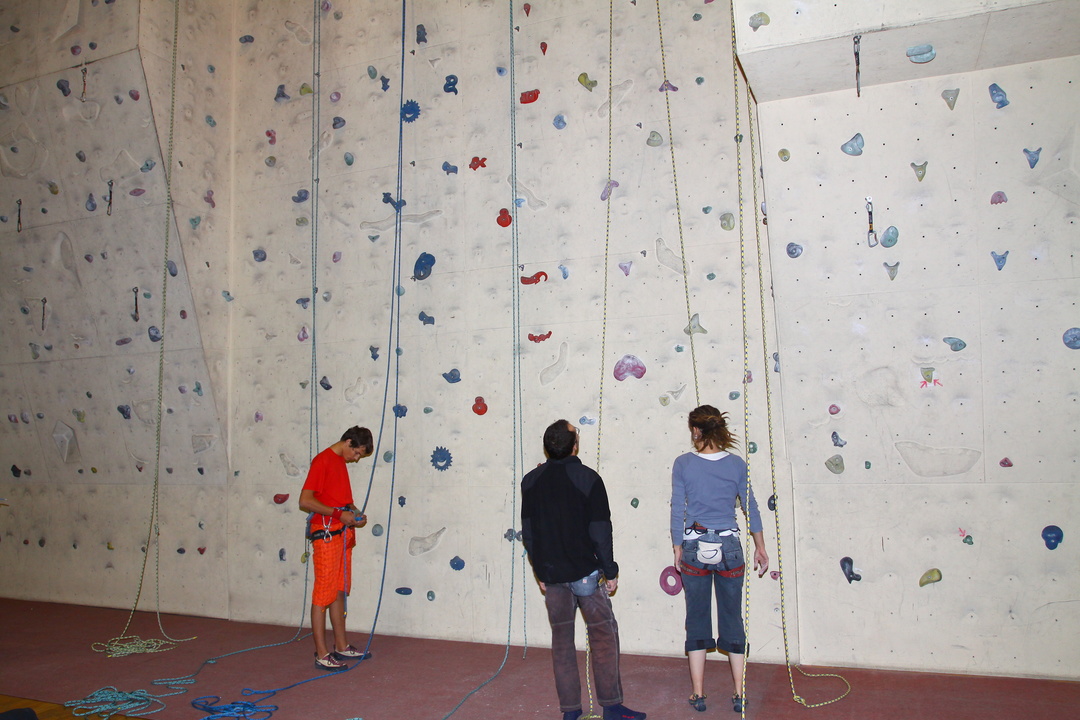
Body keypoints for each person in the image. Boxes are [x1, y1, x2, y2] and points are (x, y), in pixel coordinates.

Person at [521, 419, 647, 720]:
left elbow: (529, 533)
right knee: (603, 636)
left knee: (562, 642)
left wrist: (540, 571)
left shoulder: (530, 481)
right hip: (587, 575)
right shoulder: (589, 479)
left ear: (548, 447)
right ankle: (612, 707)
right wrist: (610, 570)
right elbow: (600, 530)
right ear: (574, 445)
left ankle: (571, 712)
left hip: (552, 576)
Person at [670, 405, 769, 713]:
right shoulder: (737, 464)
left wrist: (677, 547)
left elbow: (677, 508)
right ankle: (739, 693)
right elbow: (749, 506)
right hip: (730, 547)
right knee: (732, 617)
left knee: (696, 618)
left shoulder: (683, 463)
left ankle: (698, 694)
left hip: (694, 547)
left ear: (696, 431)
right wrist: (761, 547)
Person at [299, 425, 373, 671]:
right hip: (327, 534)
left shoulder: (340, 462)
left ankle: (341, 645)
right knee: (323, 595)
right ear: (349, 442)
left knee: (339, 590)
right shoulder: (323, 461)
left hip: (342, 535)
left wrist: (354, 511)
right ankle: (321, 653)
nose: (357, 459)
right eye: (358, 453)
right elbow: (306, 501)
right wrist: (339, 515)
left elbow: (342, 500)